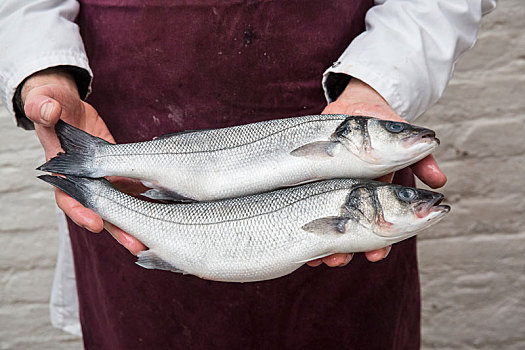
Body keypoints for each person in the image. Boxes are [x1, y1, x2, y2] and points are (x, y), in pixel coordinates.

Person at [0, 0, 495, 348]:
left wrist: (383, 81)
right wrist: (44, 74)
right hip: (125, 120)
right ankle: (95, 168)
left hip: (343, 97)